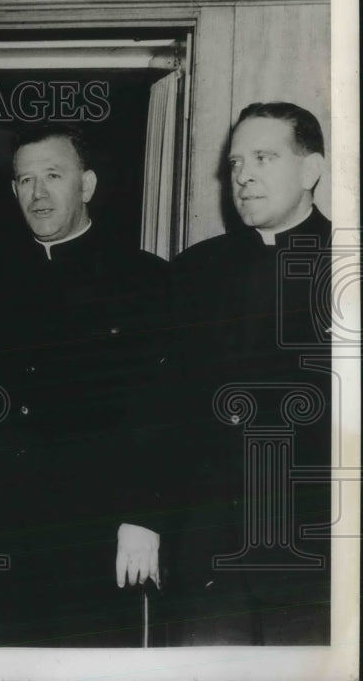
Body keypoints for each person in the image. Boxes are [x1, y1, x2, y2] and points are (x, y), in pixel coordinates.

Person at [0, 123, 169, 647]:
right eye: (25, 180)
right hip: (5, 529)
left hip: (102, 534)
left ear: (87, 185)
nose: (38, 193)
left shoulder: (148, 284)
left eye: (53, 176)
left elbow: (164, 410)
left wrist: (144, 516)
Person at [167, 102, 331, 645]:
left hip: (316, 550)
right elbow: (166, 407)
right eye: (236, 163)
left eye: (264, 157)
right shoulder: (194, 271)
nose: (244, 176)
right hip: (209, 546)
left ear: (311, 171)